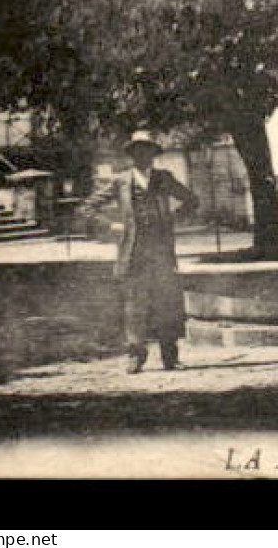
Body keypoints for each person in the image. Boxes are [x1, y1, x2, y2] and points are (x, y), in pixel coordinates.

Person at [79, 131, 200, 373]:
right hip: (133, 254)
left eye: (147, 150)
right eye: (137, 151)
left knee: (166, 304)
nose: (142, 155)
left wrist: (172, 219)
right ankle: (135, 356)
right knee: (135, 305)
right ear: (131, 155)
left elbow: (191, 200)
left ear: (154, 154)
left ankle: (170, 357)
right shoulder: (121, 181)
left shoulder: (164, 178)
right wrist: (111, 225)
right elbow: (87, 208)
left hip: (161, 253)